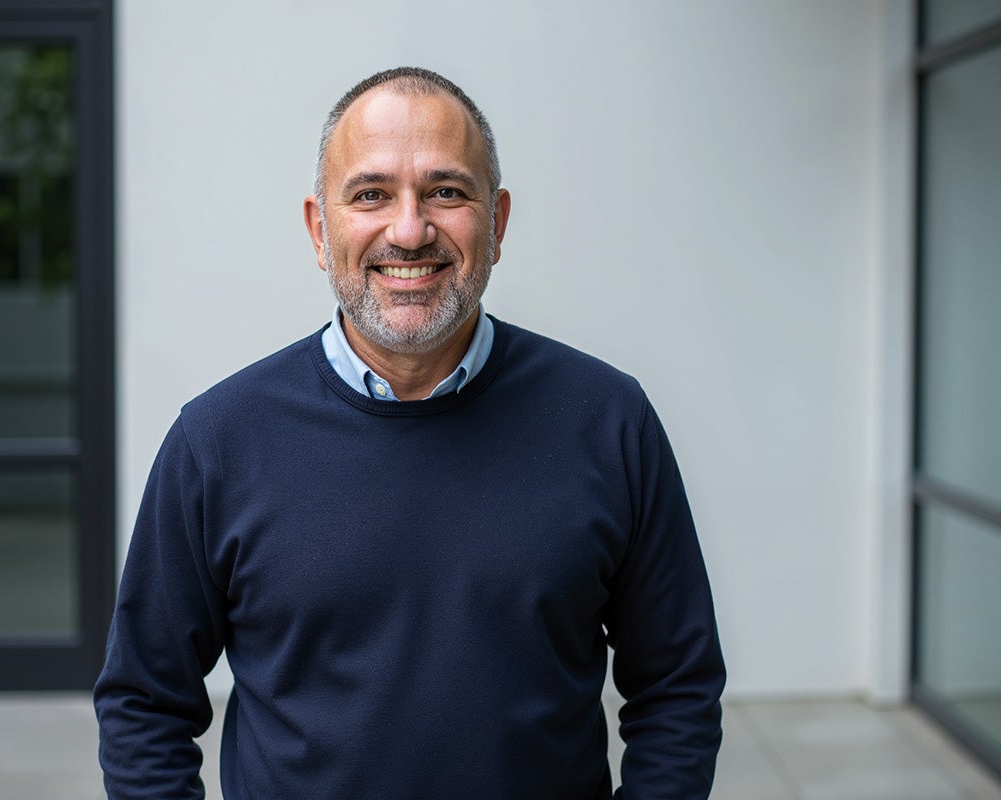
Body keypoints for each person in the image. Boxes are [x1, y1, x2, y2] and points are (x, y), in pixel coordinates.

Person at [94, 66, 725, 799]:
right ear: (319, 230)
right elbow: (142, 703)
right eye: (370, 195)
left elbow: (677, 689)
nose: (408, 230)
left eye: (446, 192)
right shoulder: (217, 443)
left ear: (499, 222)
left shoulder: (609, 422)